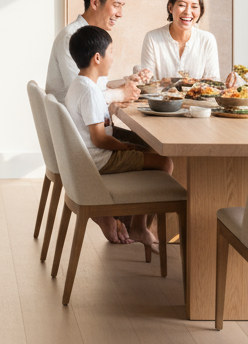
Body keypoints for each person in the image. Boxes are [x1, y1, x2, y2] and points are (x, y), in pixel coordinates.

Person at [64, 25, 174, 247]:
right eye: (111, 52)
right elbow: (99, 139)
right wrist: (124, 148)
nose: (112, 58)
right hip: (100, 158)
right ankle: (139, 227)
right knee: (165, 163)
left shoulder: (80, 85)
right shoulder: (90, 92)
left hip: (91, 155)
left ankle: (132, 217)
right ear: (98, 57)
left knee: (147, 146)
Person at [46, 0, 148, 103]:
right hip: (77, 122)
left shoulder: (92, 37)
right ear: (95, 3)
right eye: (116, 5)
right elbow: (82, 95)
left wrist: (127, 82)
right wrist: (121, 94)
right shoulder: (72, 38)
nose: (120, 14)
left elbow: (96, 87)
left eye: (122, 6)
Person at [138, 0, 221, 81]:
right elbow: (147, 82)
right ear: (170, 7)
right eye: (182, 5)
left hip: (197, 96)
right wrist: (143, 76)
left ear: (200, 11)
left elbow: (213, 82)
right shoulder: (152, 38)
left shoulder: (207, 40)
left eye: (194, 7)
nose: (187, 12)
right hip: (160, 96)